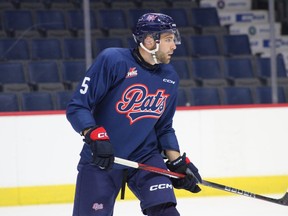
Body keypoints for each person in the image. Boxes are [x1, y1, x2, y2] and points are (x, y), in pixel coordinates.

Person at [66, 13, 202, 216]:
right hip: (104, 157)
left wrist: (177, 162)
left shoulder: (170, 76)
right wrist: (93, 134)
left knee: (166, 211)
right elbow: (77, 106)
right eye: (168, 39)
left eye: (173, 39)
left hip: (145, 156)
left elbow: (163, 126)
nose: (174, 45)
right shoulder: (113, 60)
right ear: (149, 40)